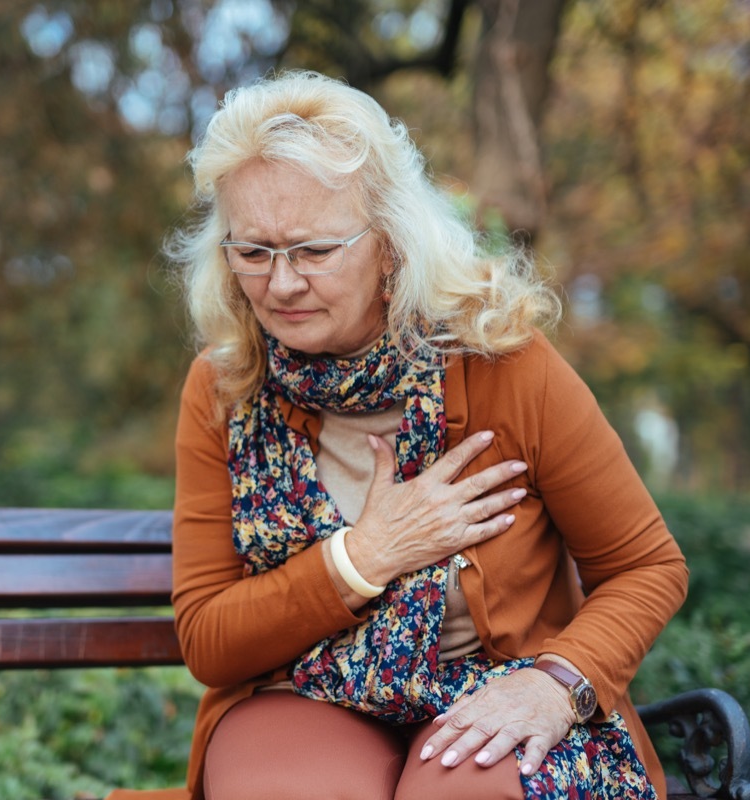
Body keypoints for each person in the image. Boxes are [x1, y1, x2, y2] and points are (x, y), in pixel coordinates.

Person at [160, 70, 688, 800]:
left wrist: (555, 683)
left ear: (390, 244)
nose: (279, 285)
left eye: (312, 250)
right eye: (252, 252)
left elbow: (647, 568)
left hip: (496, 684)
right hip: (302, 694)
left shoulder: (503, 362)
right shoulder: (225, 388)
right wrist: (364, 557)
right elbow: (209, 639)